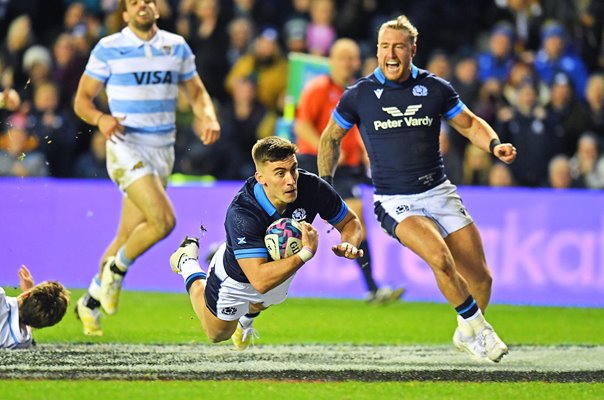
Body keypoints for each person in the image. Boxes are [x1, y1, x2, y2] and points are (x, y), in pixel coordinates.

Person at [317, 15, 517, 363]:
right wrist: (326, 187)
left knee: (481, 279)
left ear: (412, 49)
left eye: (397, 47)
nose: (389, 53)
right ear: (377, 51)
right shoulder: (360, 95)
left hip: (439, 192)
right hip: (396, 201)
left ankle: (466, 330)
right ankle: (480, 331)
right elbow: (330, 138)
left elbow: (469, 123)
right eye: (383, 47)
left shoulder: (435, 88)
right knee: (440, 258)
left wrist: (494, 145)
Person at [72, 0, 220, 336]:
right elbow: (82, 99)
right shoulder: (109, 48)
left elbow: (197, 92)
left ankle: (91, 301)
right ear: (124, 13)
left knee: (127, 235)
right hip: (125, 145)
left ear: (157, 8)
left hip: (161, 150)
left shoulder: (175, 46)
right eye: (134, 2)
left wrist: (208, 115)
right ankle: (117, 271)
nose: (142, 5)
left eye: (148, 1)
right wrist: (100, 118)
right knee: (164, 220)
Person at [169, 136, 365, 350]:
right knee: (217, 334)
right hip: (239, 277)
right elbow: (259, 280)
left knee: (265, 299)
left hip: (278, 268)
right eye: (280, 173)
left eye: (293, 169)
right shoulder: (242, 212)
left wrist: (350, 243)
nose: (290, 180)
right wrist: (306, 252)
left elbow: (350, 222)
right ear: (261, 178)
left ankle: (245, 320)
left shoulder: (311, 187)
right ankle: (186, 261)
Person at [294, 38, 404, 304]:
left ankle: (373, 288)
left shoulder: (358, 92)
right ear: (331, 60)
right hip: (315, 162)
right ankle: (230, 250)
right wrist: (327, 147)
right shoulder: (317, 89)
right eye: (344, 58)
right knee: (292, 222)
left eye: (353, 58)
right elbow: (301, 126)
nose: (350, 63)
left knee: (356, 219)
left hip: (348, 169)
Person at [0, 265, 70, 349]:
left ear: (26, 295)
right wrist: (30, 292)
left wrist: (30, 291)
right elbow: (31, 324)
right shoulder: (22, 341)